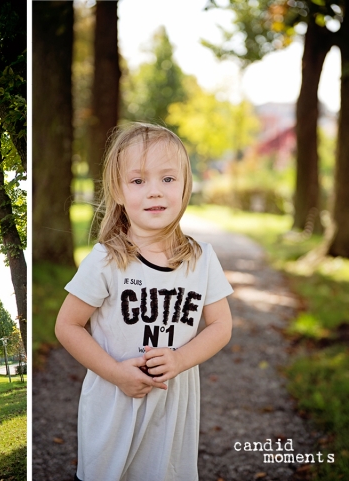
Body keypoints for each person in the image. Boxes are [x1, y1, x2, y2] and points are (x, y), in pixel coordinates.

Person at [55, 123, 233, 481]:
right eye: (138, 181)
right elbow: (67, 325)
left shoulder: (202, 258)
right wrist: (117, 374)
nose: (155, 192)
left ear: (185, 185)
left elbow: (221, 325)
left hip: (171, 409)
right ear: (118, 191)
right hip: (115, 404)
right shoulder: (106, 260)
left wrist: (181, 358)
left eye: (168, 179)